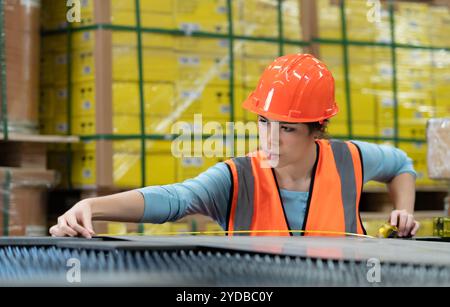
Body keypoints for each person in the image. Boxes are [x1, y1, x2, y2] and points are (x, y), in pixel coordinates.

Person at [50, 53, 420, 239]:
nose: (270, 137)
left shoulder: (349, 159)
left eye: (287, 128)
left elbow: (401, 165)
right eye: (263, 122)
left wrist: (403, 212)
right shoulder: (236, 178)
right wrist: (92, 206)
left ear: (317, 129)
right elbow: (174, 199)